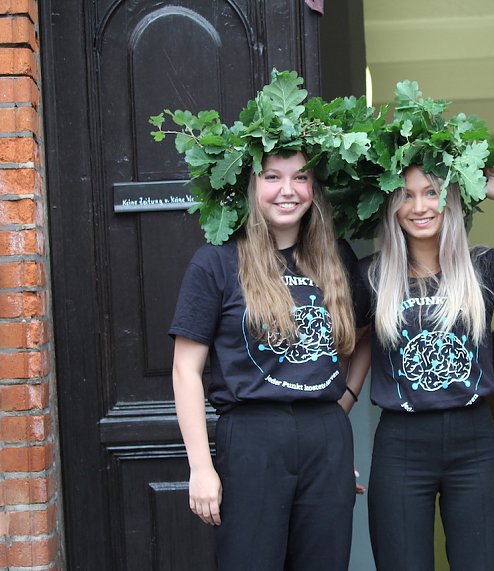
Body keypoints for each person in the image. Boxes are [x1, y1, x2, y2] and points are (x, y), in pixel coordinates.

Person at [161, 70, 369, 570]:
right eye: (273, 176)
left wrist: (341, 405)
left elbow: (363, 337)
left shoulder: (335, 258)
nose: (287, 190)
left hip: (326, 435)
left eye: (300, 177)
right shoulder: (215, 262)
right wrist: (201, 468)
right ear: (250, 184)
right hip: (252, 438)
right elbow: (185, 370)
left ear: (315, 187)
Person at [347, 158, 494, 570]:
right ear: (392, 207)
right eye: (406, 195)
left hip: (473, 443)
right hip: (400, 445)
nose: (420, 206)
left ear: (451, 199)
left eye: (431, 192)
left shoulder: (481, 267)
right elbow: (349, 346)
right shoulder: (372, 276)